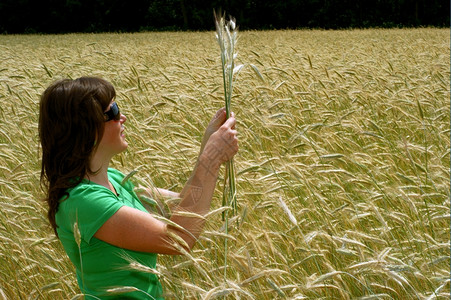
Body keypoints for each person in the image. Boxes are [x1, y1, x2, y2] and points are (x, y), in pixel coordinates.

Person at [38, 76, 239, 299]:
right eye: (112, 111)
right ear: (85, 129)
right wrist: (210, 161)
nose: (122, 117)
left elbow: (178, 208)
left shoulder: (112, 179)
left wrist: (207, 146)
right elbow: (179, 239)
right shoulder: (82, 201)